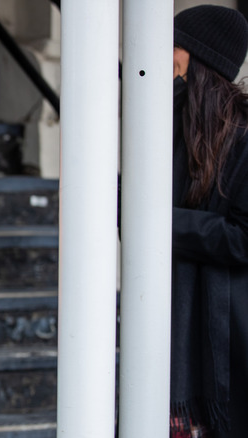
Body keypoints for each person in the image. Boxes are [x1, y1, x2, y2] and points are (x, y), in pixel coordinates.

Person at [169, 5, 248, 438]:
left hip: (228, 332)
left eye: (175, 45)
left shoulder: (243, 138)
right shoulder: (165, 122)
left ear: (200, 58)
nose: (165, 55)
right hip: (166, 312)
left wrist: (157, 223)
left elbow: (243, 238)